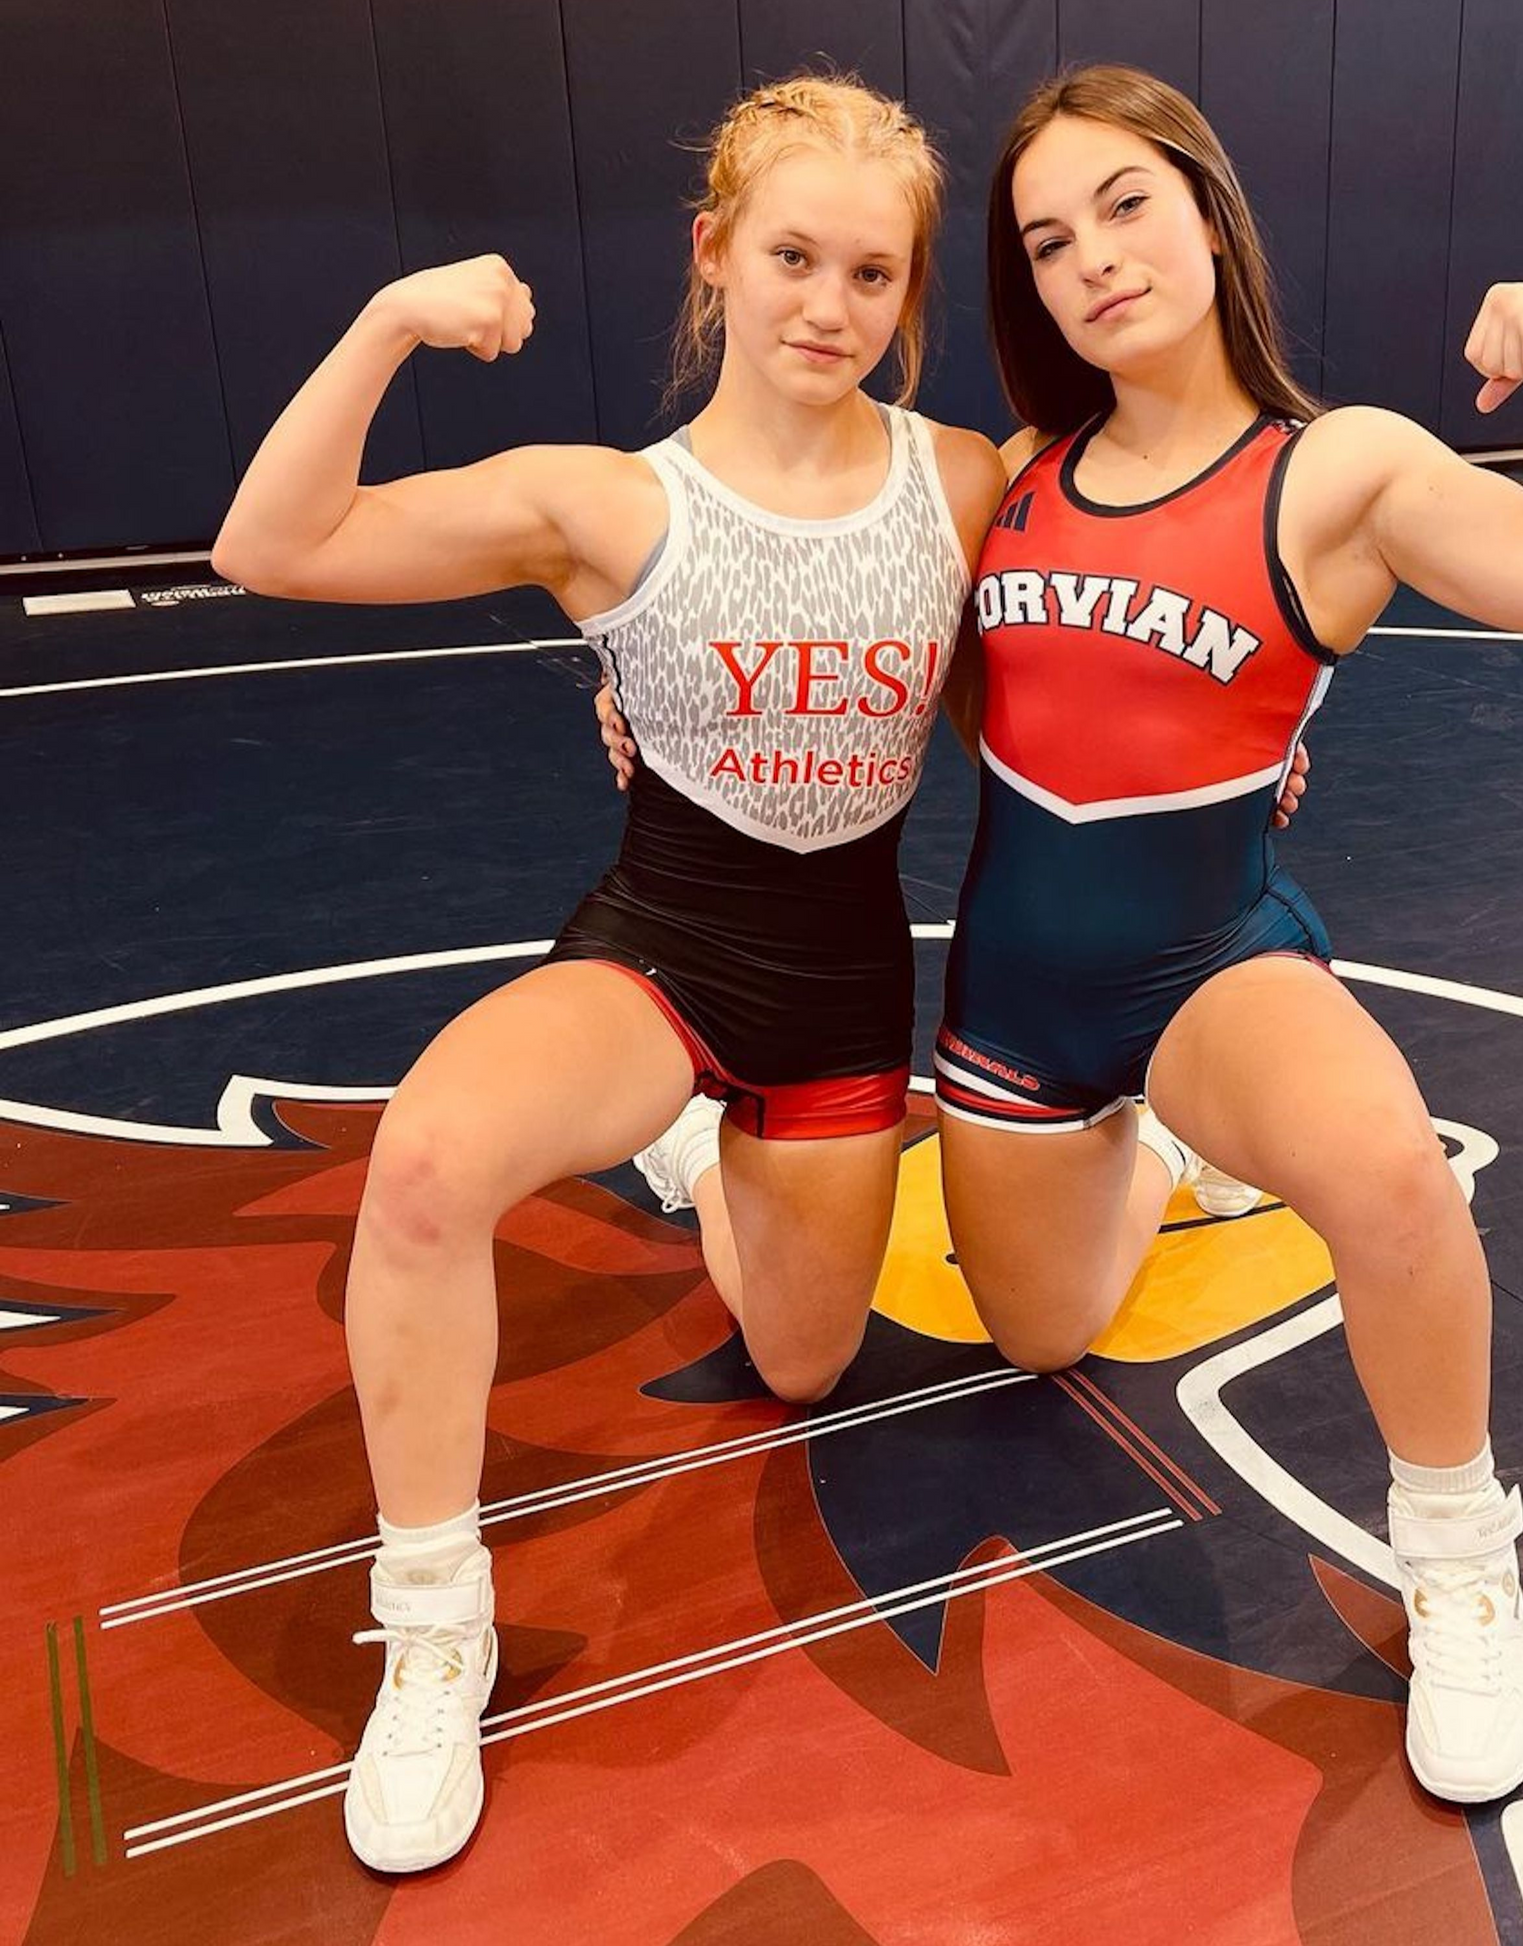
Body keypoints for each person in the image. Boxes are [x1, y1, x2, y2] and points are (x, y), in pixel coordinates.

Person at [212, 75, 1006, 1874]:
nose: (828, 304)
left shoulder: (959, 481)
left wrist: (1260, 739)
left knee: (803, 1367)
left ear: (908, 294)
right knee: (423, 1157)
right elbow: (271, 545)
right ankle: (431, 1618)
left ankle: (703, 1158)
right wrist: (393, 320)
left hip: (839, 988)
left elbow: (1133, 606)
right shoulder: (600, 503)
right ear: (715, 251)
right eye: (792, 254)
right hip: (665, 952)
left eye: (871, 274)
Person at [923, 66, 1523, 1805]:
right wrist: (655, 726)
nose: (1093, 257)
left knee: (1392, 1170)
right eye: (1047, 240)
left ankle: (1459, 1559)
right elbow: (905, 676)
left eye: (1124, 204)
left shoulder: (1336, 467)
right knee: (1038, 1337)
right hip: (1011, 997)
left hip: (1208, 968)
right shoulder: (1011, 473)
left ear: (1204, 210)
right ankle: (1159, 1164)